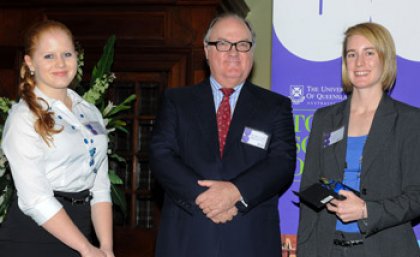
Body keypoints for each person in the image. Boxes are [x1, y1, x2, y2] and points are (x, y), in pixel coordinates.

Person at [150, 13, 296, 257]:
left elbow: (282, 163)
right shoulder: (176, 100)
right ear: (206, 50)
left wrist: (235, 192)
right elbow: (161, 155)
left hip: (250, 240)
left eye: (242, 45)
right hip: (187, 237)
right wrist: (206, 198)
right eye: (223, 44)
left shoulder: (276, 106)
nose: (233, 52)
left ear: (252, 53)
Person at [297, 22, 420, 257]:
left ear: (385, 59)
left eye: (369, 53)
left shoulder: (410, 121)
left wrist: (367, 210)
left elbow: (417, 195)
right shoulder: (325, 119)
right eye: (352, 54)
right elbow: (309, 195)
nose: (359, 62)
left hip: (387, 249)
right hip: (328, 249)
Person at [0, 20, 114, 257]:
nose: (60, 63)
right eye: (49, 56)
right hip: (34, 236)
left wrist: (105, 248)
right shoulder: (23, 118)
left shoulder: (90, 111)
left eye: (67, 54)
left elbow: (100, 186)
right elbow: (35, 199)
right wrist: (86, 249)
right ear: (30, 63)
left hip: (83, 231)